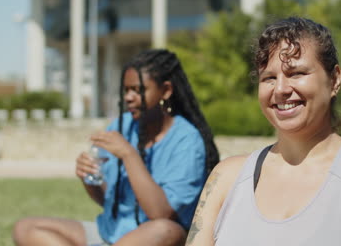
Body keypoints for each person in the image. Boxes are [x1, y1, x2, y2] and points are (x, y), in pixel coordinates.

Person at [185, 17, 341, 246]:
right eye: (269, 77)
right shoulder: (226, 178)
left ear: (335, 80)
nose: (280, 89)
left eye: (297, 73)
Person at [13, 49, 219, 246]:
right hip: (110, 232)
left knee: (166, 230)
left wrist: (129, 155)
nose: (129, 97)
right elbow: (108, 201)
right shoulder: (122, 126)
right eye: (127, 90)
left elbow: (161, 214)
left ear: (165, 90)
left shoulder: (187, 140)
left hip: (151, 238)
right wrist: (89, 179)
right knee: (25, 229)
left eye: (138, 90)